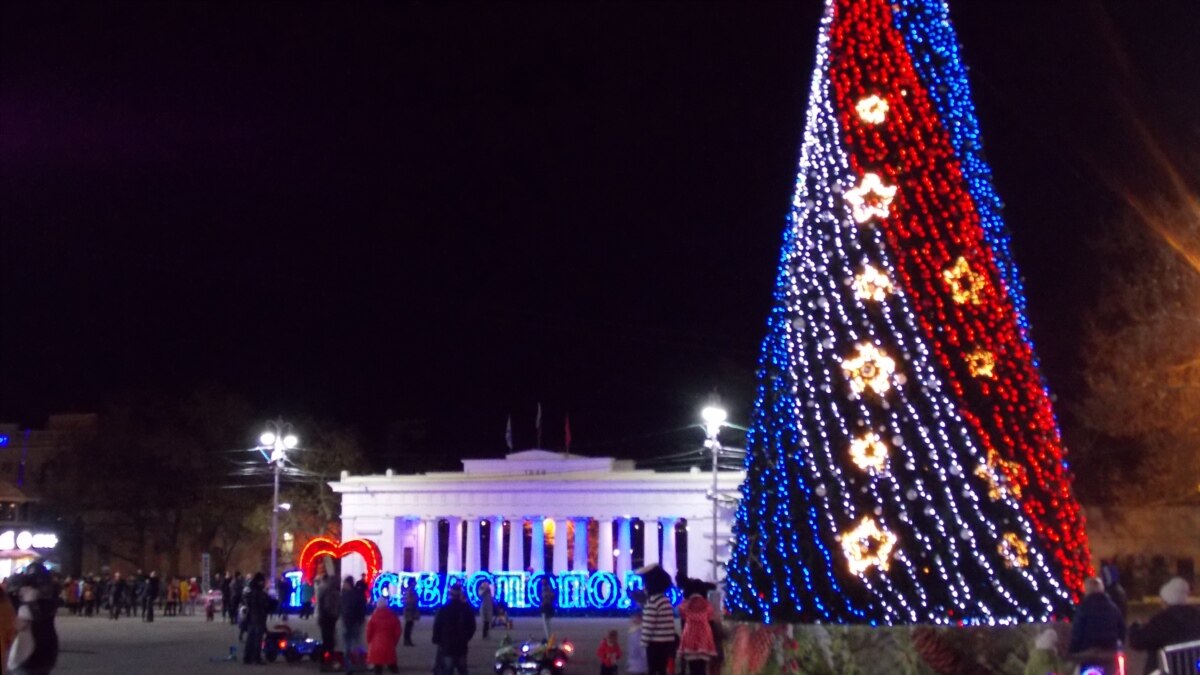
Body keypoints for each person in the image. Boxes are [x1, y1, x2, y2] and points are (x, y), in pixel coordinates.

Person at [1128, 577, 1200, 675]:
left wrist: (1135, 627)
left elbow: (1137, 642)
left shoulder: (1163, 620)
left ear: (1167, 601)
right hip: (1194, 670)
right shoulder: (1195, 617)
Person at [14, 563, 60, 675]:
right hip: (26, 652)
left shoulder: (48, 600)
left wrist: (30, 601)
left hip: (41, 651)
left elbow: (39, 616)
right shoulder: (19, 597)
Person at [1068, 577, 1125, 658]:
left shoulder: (1084, 608)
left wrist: (1072, 650)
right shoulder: (1113, 608)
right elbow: (1122, 629)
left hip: (1087, 650)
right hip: (1110, 649)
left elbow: (1077, 632)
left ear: (1086, 590)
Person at [637, 565, 677, 675]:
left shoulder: (652, 602)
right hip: (667, 642)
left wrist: (643, 642)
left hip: (654, 643)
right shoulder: (665, 600)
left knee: (652, 669)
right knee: (662, 669)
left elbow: (648, 625)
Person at [432, 585, 476, 675]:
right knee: (463, 669)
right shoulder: (466, 609)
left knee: (447, 669)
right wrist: (467, 637)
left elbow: (437, 626)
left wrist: (436, 639)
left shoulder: (444, 609)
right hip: (461, 644)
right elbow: (472, 626)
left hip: (447, 645)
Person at [676, 580, 717, 675]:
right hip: (704, 639)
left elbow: (680, 611)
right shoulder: (707, 605)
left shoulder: (685, 605)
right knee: (702, 667)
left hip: (689, 637)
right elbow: (710, 614)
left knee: (692, 666)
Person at [341, 575, 369, 674]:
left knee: (348, 645)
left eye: (344, 583)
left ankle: (350, 666)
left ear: (348, 584)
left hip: (349, 623)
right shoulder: (358, 594)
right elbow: (363, 608)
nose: (343, 585)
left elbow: (345, 610)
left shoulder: (346, 595)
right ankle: (359, 664)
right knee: (356, 643)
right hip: (356, 622)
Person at [241, 573, 271, 665]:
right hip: (258, 618)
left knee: (250, 638)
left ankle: (247, 657)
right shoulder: (260, 593)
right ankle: (256, 658)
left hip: (251, 617)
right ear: (260, 582)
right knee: (257, 639)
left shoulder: (251, 591)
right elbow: (265, 605)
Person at [366, 600, 402, 674]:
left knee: (377, 667)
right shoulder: (393, 617)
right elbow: (398, 632)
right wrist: (394, 642)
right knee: (392, 665)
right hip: (389, 644)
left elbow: (368, 632)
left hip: (376, 645)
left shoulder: (373, 617)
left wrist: (370, 642)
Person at [317, 574, 341, 663]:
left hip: (325, 617)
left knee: (326, 638)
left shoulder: (324, 589)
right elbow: (330, 606)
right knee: (330, 638)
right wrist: (336, 613)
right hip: (330, 617)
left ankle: (324, 657)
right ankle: (328, 657)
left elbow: (321, 605)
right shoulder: (333, 591)